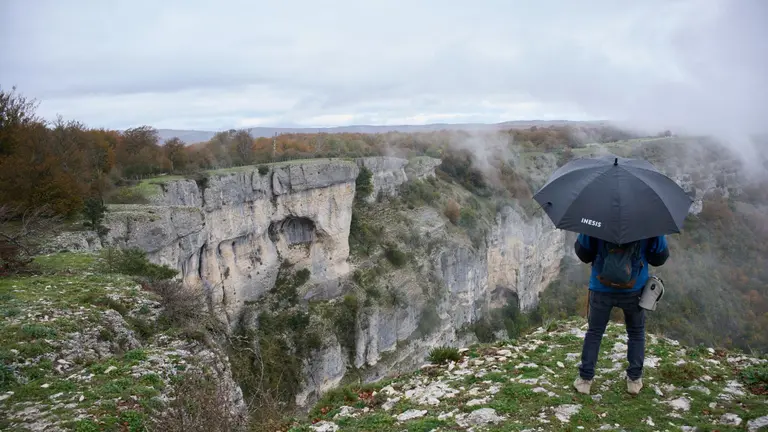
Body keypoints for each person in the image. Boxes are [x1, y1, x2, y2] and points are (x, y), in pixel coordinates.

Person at [572, 233, 669, 395]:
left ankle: (584, 381)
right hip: (634, 288)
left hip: (601, 287)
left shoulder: (599, 219)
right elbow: (659, 258)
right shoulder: (648, 223)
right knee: (636, 333)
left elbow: (584, 254)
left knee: (594, 332)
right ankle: (634, 381)